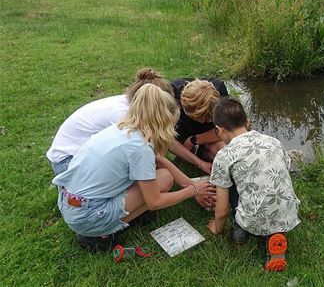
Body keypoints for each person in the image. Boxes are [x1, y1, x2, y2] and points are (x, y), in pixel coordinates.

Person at [53, 84, 216, 252]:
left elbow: (159, 159)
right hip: (87, 217)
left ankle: (119, 219)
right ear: (163, 122)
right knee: (164, 179)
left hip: (70, 204)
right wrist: (192, 191)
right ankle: (100, 234)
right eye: (172, 125)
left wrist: (191, 184)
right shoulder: (140, 148)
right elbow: (154, 202)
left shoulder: (122, 128)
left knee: (160, 175)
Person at [207, 97, 300, 272]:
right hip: (288, 213)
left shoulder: (224, 155)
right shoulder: (273, 141)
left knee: (230, 182)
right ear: (247, 122)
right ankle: (275, 238)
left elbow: (221, 211)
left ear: (218, 130)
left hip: (253, 220)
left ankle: (239, 230)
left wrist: (217, 229)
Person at [46, 68, 173, 176]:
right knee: (143, 172)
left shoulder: (132, 106)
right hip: (67, 162)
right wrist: (188, 184)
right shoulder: (123, 116)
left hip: (79, 157)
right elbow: (146, 151)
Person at [169, 78, 228, 174]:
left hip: (208, 135)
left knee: (223, 151)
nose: (204, 122)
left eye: (210, 117)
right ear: (187, 110)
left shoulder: (219, 89)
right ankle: (188, 156)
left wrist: (194, 140)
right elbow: (165, 139)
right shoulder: (170, 96)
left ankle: (201, 151)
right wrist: (200, 163)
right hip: (180, 135)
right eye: (203, 117)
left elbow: (230, 128)